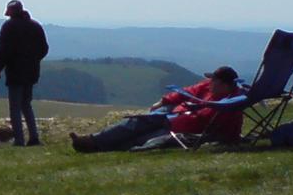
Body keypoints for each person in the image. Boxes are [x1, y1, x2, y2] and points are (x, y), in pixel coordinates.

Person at [70, 65, 244, 153]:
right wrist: (163, 102)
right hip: (172, 115)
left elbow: (212, 125)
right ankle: (93, 141)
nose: (209, 83)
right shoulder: (208, 87)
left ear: (224, 85)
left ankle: (99, 147)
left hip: (180, 128)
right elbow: (188, 91)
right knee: (136, 122)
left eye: (213, 80)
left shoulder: (230, 103)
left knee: (141, 139)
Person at [0, 0, 49, 146]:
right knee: (26, 105)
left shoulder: (9, 27)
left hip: (15, 72)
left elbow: (4, 51)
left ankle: (19, 139)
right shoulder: (35, 26)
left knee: (15, 107)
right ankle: (34, 137)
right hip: (31, 72)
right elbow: (44, 49)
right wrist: (34, 60)